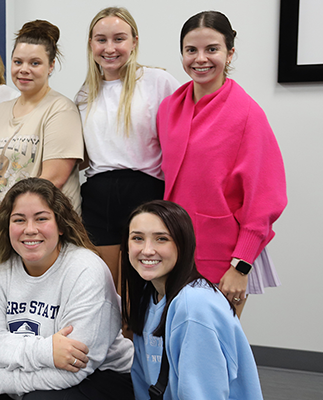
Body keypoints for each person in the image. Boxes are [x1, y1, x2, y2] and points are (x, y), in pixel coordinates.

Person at [157, 11, 287, 316]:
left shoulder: (247, 115)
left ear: (230, 53)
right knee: (172, 343)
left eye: (212, 49)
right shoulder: (169, 107)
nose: (200, 59)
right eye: (191, 50)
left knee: (214, 349)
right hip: (173, 248)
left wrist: (240, 265)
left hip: (223, 256)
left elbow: (264, 199)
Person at [0, 178, 133, 399]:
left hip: (104, 376)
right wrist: (48, 352)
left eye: (41, 219)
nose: (30, 229)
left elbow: (76, 366)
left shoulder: (86, 270)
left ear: (61, 225)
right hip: (35, 372)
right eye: (19, 220)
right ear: (7, 226)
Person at [74, 7, 180, 289]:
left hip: (146, 191)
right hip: (99, 196)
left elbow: (182, 140)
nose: (110, 48)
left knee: (145, 285)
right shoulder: (84, 95)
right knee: (106, 286)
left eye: (119, 39)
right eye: (101, 40)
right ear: (91, 44)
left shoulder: (159, 82)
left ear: (134, 41)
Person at [121, 200, 263, 399]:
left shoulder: (194, 305)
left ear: (183, 244)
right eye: (137, 238)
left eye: (161, 239)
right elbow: (144, 383)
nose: (147, 250)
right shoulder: (148, 294)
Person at [0, 20, 84, 244]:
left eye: (35, 63)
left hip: (39, 235)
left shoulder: (61, 109)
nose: (24, 69)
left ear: (51, 66)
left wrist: (8, 222)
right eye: (18, 62)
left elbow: (53, 178)